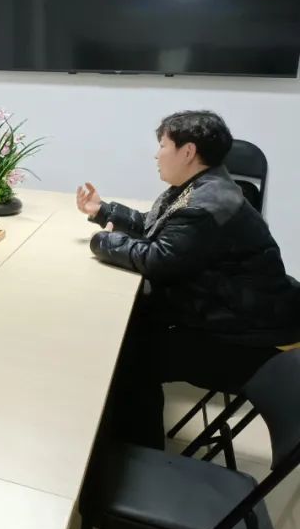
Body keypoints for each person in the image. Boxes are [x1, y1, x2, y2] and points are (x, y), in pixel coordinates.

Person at [77, 110, 300, 448]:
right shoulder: (204, 185)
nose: (156, 155)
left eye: (163, 146)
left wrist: (103, 241)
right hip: (231, 312)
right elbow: (159, 230)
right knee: (129, 327)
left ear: (188, 151)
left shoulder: (205, 205)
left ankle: (140, 455)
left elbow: (157, 259)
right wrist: (103, 211)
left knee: (127, 356)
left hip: (246, 338)